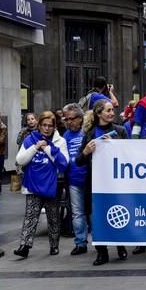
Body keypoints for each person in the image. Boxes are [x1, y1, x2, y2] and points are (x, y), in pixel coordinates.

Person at [75, 100, 129, 265]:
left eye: (112, 110)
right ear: (99, 113)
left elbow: (130, 154)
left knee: (119, 212)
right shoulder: (90, 134)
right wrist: (86, 151)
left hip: (116, 181)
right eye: (108, 110)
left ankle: (120, 244)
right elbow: (78, 161)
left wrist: (115, 146)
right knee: (96, 217)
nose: (112, 113)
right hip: (95, 183)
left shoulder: (120, 131)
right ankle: (102, 252)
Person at [13, 112, 69, 258]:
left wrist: (47, 148)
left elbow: (63, 163)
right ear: (39, 125)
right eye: (44, 125)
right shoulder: (30, 139)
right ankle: (24, 246)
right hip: (32, 185)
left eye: (50, 125)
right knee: (30, 216)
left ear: (54, 126)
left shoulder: (60, 141)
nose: (47, 128)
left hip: (51, 185)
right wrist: (35, 147)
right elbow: (20, 160)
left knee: (53, 217)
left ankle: (54, 245)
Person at [62, 104, 89, 256]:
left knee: (92, 212)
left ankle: (99, 241)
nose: (69, 122)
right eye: (66, 119)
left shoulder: (87, 132)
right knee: (77, 213)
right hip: (73, 180)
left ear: (80, 118)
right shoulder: (65, 136)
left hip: (90, 179)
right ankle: (80, 243)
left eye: (72, 119)